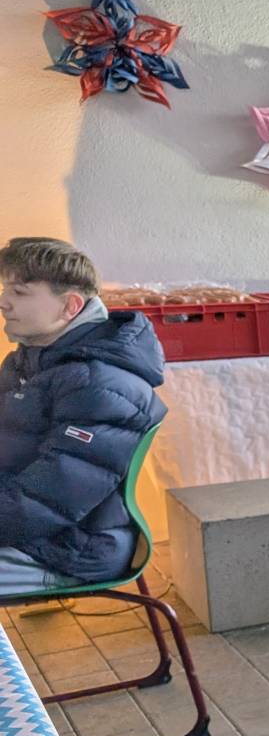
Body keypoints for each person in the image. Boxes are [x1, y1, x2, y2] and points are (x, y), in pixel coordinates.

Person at [0, 238, 166, 596]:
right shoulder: (28, 362)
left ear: (70, 306)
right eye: (4, 289)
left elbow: (47, 499)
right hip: (30, 531)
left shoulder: (98, 383)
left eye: (19, 292)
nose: (4, 302)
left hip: (70, 548)